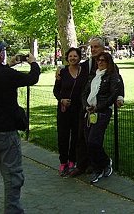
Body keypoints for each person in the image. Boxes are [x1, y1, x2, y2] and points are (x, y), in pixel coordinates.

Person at [0, 40, 40, 214]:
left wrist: (9, 64)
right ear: (1, 54)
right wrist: (33, 63)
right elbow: (32, 78)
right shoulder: (7, 75)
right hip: (5, 134)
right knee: (12, 177)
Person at [66, 37, 124, 177]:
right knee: (82, 136)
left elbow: (118, 82)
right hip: (85, 106)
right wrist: (61, 68)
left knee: (94, 138)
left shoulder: (110, 65)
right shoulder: (87, 64)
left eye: (96, 47)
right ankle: (82, 164)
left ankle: (95, 164)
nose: (93, 50)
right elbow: (72, 65)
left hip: (100, 108)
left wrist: (120, 97)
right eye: (91, 47)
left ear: (102, 48)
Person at [82, 51, 120, 183]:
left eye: (103, 60)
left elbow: (112, 95)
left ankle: (100, 167)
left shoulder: (111, 76)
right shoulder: (94, 76)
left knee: (94, 141)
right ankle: (102, 164)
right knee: (89, 142)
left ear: (108, 62)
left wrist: (98, 107)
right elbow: (85, 92)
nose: (100, 62)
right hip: (89, 112)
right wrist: (86, 105)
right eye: (99, 60)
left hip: (102, 112)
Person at [53, 47, 88, 176]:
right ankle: (63, 162)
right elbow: (56, 90)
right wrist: (61, 99)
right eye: (70, 56)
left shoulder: (84, 71)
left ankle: (73, 161)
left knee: (76, 136)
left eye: (75, 56)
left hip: (78, 109)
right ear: (67, 58)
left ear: (79, 57)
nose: (73, 58)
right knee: (63, 136)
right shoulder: (62, 72)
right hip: (64, 109)